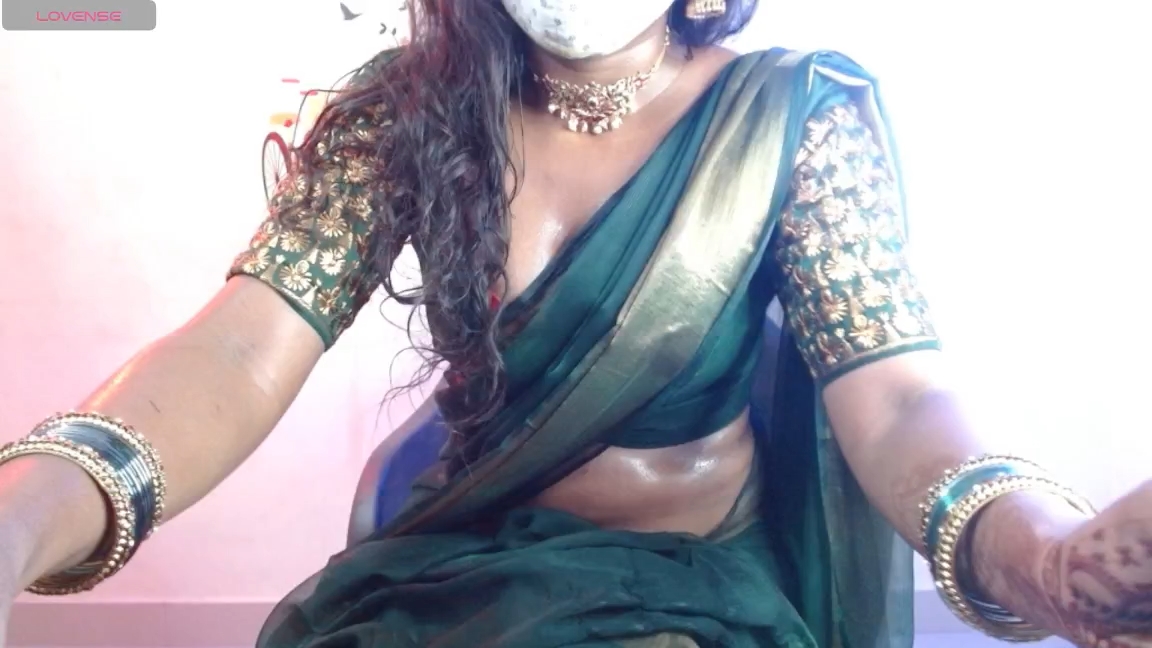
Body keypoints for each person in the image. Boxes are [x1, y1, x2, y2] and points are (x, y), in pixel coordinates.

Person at [0, 1, 1149, 646]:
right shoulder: (407, 110)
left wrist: (1043, 557)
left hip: (687, 586)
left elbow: (896, 400)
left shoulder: (792, 115)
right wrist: (22, 518)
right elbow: (238, 347)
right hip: (451, 568)